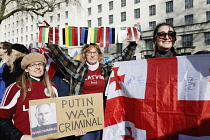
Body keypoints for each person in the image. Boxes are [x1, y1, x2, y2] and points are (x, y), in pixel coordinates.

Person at [48, 42, 137, 140]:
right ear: (84, 55)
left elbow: (123, 58)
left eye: (95, 52)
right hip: (84, 117)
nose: (92, 55)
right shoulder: (77, 68)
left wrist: (132, 44)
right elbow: (61, 56)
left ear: (99, 55)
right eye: (89, 52)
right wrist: (47, 37)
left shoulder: (105, 68)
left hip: (103, 115)